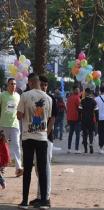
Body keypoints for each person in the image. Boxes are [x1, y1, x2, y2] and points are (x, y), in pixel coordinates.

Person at [17, 73, 52, 209]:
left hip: (28, 137)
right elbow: (48, 118)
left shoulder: (25, 96)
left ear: (30, 83)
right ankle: (44, 201)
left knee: (27, 170)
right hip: (42, 138)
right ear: (38, 82)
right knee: (42, 170)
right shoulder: (48, 98)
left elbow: (19, 116)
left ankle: (25, 201)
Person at [29, 75, 57, 208]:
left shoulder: (51, 99)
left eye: (46, 85)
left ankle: (47, 198)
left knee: (45, 167)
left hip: (46, 139)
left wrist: (46, 134)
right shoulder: (35, 99)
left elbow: (52, 119)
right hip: (35, 137)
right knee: (38, 168)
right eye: (42, 84)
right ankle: (40, 196)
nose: (44, 87)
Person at [0, 78, 23, 177]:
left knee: (17, 146)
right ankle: (2, 167)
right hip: (3, 125)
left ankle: (18, 168)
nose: (13, 85)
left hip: (15, 125)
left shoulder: (18, 96)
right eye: (11, 84)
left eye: (14, 84)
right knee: (3, 147)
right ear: (7, 85)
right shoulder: (2, 96)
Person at [79, 88, 98, 154]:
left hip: (84, 120)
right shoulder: (94, 101)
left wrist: (80, 119)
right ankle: (91, 145)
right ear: (90, 93)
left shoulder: (82, 101)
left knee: (84, 134)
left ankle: (85, 149)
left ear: (85, 93)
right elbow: (96, 111)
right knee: (91, 133)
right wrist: (97, 120)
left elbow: (79, 110)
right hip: (91, 120)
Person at [66, 86, 81, 153]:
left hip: (69, 118)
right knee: (77, 134)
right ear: (74, 90)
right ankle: (76, 149)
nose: (78, 91)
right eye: (77, 90)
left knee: (70, 134)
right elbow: (80, 107)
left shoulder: (69, 98)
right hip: (76, 118)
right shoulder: (77, 98)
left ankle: (69, 148)